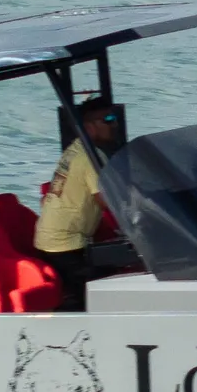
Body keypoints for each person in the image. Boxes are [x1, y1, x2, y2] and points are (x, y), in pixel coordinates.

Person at [35, 98, 140, 305]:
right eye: (108, 119)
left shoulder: (78, 148)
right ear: (89, 127)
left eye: (114, 118)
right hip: (63, 245)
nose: (115, 124)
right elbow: (107, 201)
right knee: (102, 286)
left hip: (55, 238)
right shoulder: (90, 157)